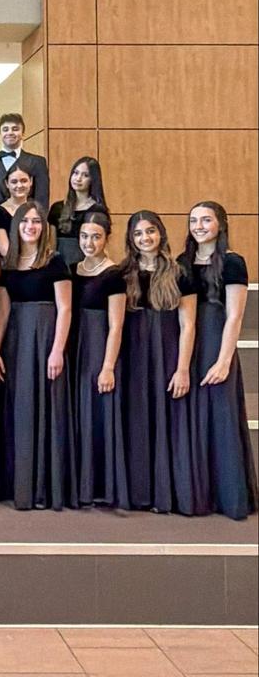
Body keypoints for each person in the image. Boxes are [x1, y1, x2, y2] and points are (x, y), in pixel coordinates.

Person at [0, 200, 76, 510]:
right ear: (16, 227)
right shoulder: (9, 264)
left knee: (45, 409)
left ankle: (44, 487)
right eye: (25, 221)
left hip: (45, 340)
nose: (31, 226)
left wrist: (57, 350)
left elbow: (65, 309)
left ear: (44, 227)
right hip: (16, 342)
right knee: (19, 409)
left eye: (36, 221)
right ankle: (20, 485)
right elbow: (2, 311)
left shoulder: (55, 262)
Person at [178, 202, 257, 519]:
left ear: (221, 224)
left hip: (216, 342)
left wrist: (224, 360)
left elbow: (235, 316)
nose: (198, 225)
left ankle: (229, 497)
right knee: (192, 419)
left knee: (221, 419)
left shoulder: (233, 262)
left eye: (206, 220)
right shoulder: (183, 262)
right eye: (193, 220)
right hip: (188, 345)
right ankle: (198, 494)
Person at [120, 210, 197, 515]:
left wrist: (182, 369)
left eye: (150, 231)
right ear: (131, 239)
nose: (145, 238)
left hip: (166, 354)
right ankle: (139, 493)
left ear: (161, 233)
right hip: (134, 356)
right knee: (137, 420)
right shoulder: (124, 273)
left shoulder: (179, 272)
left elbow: (188, 325)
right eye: (138, 234)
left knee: (167, 421)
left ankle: (167, 493)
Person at [71, 213, 129, 510]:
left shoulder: (114, 275)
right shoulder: (73, 269)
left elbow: (116, 326)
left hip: (99, 350)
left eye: (95, 236)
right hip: (75, 349)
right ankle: (80, 485)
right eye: (84, 236)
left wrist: (108, 366)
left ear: (106, 238)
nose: (89, 242)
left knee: (98, 414)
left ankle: (102, 486)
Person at [0, 112, 49, 215]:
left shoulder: (38, 162)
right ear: (0, 134)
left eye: (15, 129)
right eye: (5, 129)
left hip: (26, 221)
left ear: (23, 134)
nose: (10, 133)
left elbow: (42, 198)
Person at [49, 157, 109, 266]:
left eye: (85, 175)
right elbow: (52, 246)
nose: (78, 178)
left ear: (93, 180)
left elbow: (101, 246)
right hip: (60, 267)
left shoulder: (97, 210)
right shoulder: (57, 208)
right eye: (76, 173)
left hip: (86, 266)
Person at [0, 163, 33, 260]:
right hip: (12, 266)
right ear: (7, 184)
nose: (19, 185)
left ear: (31, 181)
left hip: (37, 263)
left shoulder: (36, 209)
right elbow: (5, 251)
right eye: (14, 182)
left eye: (24, 181)